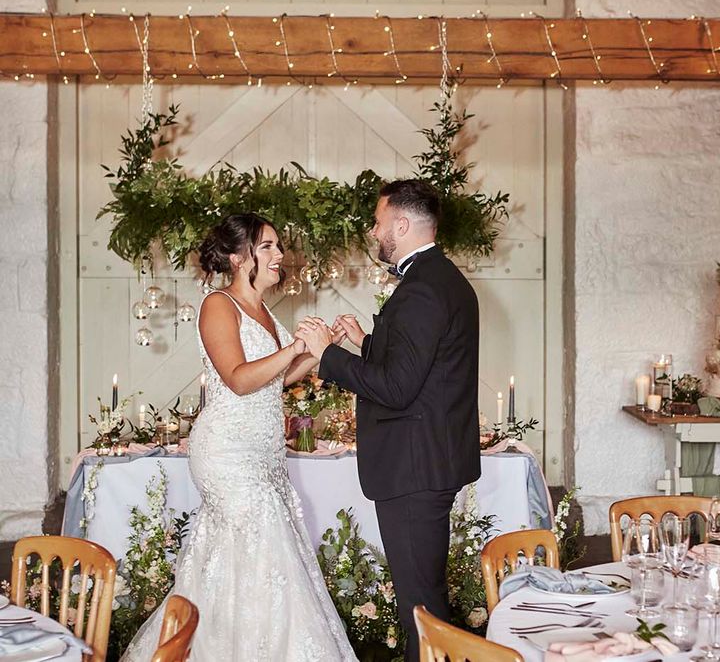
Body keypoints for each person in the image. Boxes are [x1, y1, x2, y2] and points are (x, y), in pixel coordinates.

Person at [121, 214, 356, 661]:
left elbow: (280, 379)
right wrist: (294, 347)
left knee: (241, 561)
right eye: (266, 247)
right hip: (227, 452)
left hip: (263, 452)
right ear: (236, 257)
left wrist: (326, 348)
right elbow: (239, 380)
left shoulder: (265, 311)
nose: (279, 256)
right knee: (267, 549)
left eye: (277, 247)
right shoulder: (218, 305)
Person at [296, 179, 481, 661]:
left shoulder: (421, 289)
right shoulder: (438, 278)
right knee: (422, 598)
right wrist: (366, 342)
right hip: (425, 461)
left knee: (421, 606)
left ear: (401, 224)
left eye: (378, 222)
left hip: (414, 468)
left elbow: (398, 389)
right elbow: (423, 367)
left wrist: (328, 354)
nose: (373, 230)